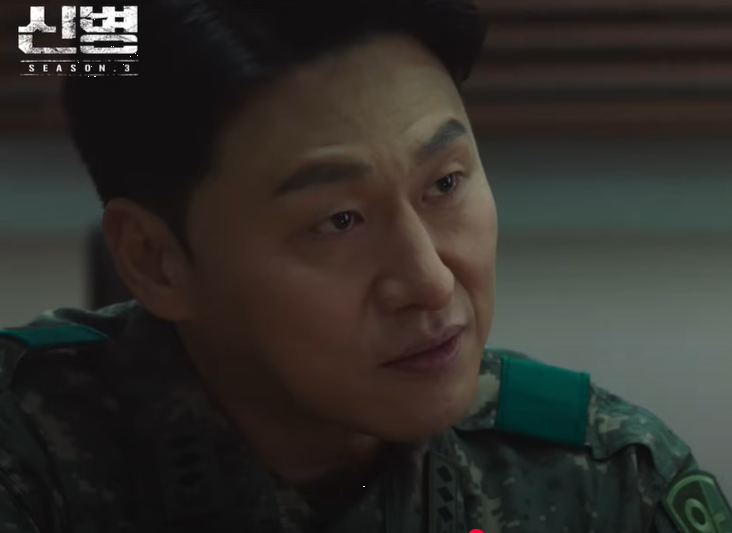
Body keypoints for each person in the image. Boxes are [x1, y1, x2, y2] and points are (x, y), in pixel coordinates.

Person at [1, 0, 729, 531]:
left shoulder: (605, 482)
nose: (431, 282)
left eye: (445, 183)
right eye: (339, 221)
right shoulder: (32, 462)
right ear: (156, 260)